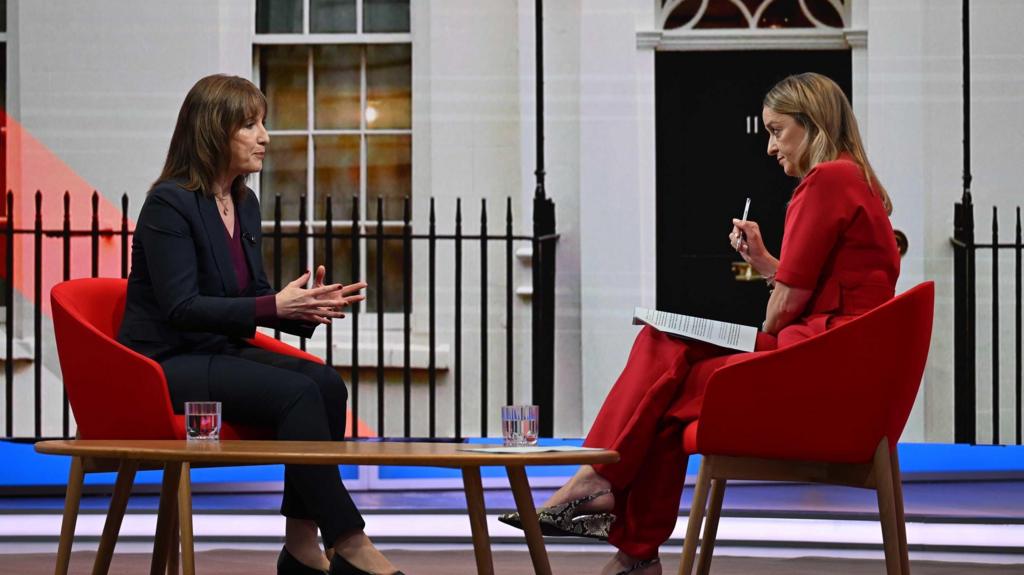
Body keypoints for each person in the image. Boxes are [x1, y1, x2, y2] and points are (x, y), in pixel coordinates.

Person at [500, 72, 900, 575]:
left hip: (820, 369)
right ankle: (630, 544)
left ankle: (600, 485)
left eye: (778, 131)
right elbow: (823, 290)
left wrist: (775, 294)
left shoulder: (825, 180)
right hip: (834, 363)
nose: (772, 147)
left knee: (664, 357)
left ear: (812, 123)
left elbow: (783, 314)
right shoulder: (854, 180)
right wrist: (768, 265)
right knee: (665, 364)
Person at [117, 74, 403, 575]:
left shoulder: (242, 202)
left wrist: (306, 305)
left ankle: (299, 545)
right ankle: (350, 541)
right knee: (297, 394)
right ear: (212, 132)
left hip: (218, 352)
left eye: (262, 123)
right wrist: (275, 307)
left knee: (325, 384)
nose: (265, 136)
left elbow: (250, 298)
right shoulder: (168, 203)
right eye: (249, 125)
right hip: (165, 365)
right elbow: (181, 307)